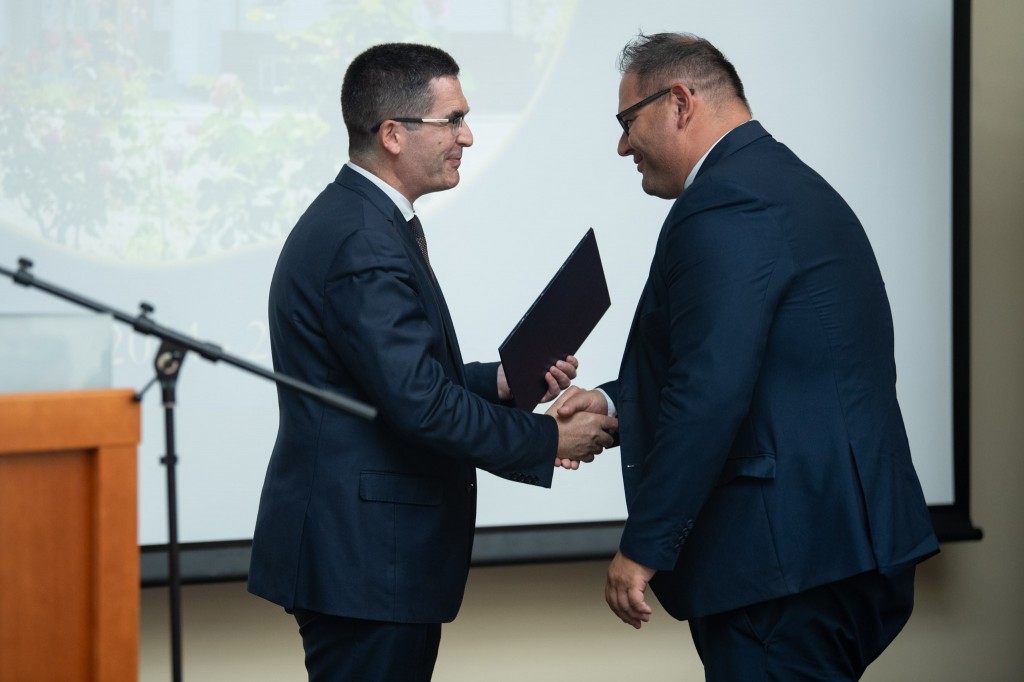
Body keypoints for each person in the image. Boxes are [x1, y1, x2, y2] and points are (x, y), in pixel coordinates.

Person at [556, 33, 940, 680]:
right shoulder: (786, 182)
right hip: (831, 549)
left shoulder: (724, 200)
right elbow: (766, 360)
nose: (623, 146)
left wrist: (645, 545)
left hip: (782, 564)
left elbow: (709, 387)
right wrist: (615, 401)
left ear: (680, 102)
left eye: (627, 123)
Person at [248, 42, 617, 682]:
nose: (467, 137)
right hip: (366, 561)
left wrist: (502, 382)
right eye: (453, 120)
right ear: (393, 134)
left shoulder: (367, 220)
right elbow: (420, 404)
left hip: (371, 559)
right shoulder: (363, 238)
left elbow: (393, 382)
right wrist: (549, 438)